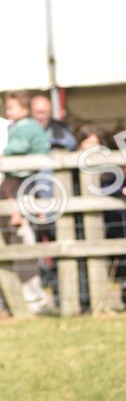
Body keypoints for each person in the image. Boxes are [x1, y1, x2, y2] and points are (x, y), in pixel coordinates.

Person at [1, 91, 54, 315]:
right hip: (16, 181)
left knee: (22, 243)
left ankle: (33, 300)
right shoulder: (16, 127)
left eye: (11, 107)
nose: (7, 111)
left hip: (20, 180)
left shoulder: (17, 128)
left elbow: (19, 149)